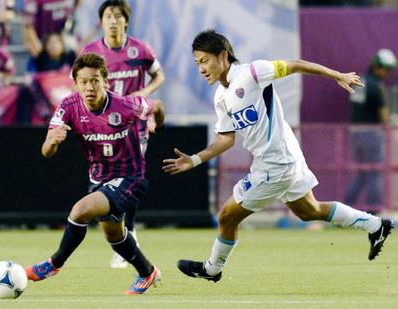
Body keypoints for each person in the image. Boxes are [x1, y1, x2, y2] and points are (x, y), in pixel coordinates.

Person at [162, 30, 393, 283]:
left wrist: (336, 75)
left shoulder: (251, 72)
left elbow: (295, 65)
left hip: (277, 164)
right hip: (283, 158)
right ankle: (375, 225)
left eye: (205, 61)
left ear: (223, 55)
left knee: (226, 216)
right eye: (197, 64)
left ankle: (212, 268)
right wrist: (195, 159)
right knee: (309, 210)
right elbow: (226, 139)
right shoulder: (221, 97)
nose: (201, 68)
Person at [25, 53, 165, 295]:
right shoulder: (68, 106)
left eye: (95, 81)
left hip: (131, 177)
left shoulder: (126, 105)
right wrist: (53, 142)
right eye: (83, 82)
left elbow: (158, 106)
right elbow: (46, 151)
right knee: (114, 235)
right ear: (76, 84)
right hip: (99, 178)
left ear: (106, 82)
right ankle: (147, 272)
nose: (89, 87)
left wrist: (156, 123)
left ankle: (54, 263)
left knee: (80, 211)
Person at [79, 0, 165, 269]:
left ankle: (130, 233)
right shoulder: (91, 52)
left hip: (133, 123)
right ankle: (121, 236)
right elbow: (78, 83)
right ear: (101, 21)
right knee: (107, 177)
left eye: (117, 16)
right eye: (107, 16)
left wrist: (141, 97)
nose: (113, 20)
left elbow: (159, 76)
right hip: (103, 126)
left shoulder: (140, 49)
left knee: (130, 175)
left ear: (126, 20)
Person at [344, 48, 397, 212]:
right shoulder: (376, 86)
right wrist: (392, 119)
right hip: (372, 134)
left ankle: (343, 212)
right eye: (386, 69)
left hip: (355, 134)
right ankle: (374, 212)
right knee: (375, 173)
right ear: (377, 66)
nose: (387, 73)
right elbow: (384, 116)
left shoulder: (359, 81)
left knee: (361, 174)